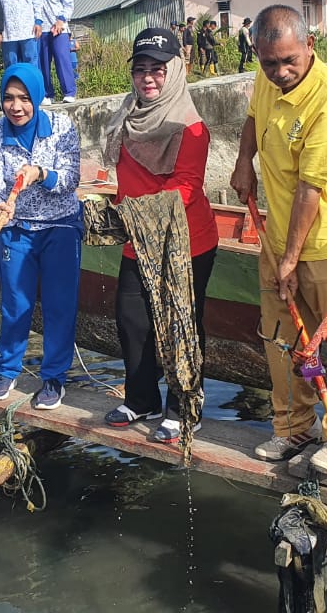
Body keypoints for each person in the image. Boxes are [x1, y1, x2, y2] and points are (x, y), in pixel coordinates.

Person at [229, 5, 327, 476]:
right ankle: (294, 427)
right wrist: (243, 161)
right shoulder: (266, 76)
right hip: (278, 234)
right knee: (281, 338)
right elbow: (253, 116)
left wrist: (291, 260)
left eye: (289, 60)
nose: (280, 72)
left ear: (311, 45)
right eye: (270, 62)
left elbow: (312, 188)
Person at [101, 28, 217, 443]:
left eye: (157, 70)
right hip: (139, 239)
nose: (148, 78)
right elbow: (118, 178)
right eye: (140, 69)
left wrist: (134, 213)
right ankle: (141, 399)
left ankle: (184, 408)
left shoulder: (190, 127)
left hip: (187, 241)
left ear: (176, 71)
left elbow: (187, 186)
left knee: (182, 324)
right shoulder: (127, 116)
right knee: (132, 319)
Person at [0, 63, 82, 410]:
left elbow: (70, 178)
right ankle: (8, 370)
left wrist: (41, 174)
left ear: (36, 98)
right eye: (8, 98)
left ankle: (53, 378)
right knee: (16, 304)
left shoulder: (61, 127)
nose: (16, 106)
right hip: (16, 228)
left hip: (59, 226)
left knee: (58, 306)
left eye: (24, 98)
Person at [35, 0, 76, 104]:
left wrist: (61, 20)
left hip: (59, 27)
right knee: (43, 61)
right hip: (41, 27)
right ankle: (47, 94)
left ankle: (69, 91)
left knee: (62, 59)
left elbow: (69, 3)